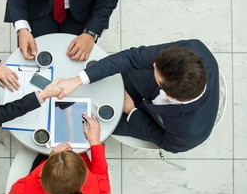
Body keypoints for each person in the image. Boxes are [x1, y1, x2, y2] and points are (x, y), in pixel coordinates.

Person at [56, 39, 220, 153]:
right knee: (93, 85)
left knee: (84, 122)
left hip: (143, 119)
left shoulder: (190, 133)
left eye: (156, 71)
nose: (153, 63)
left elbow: (161, 139)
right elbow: (133, 57)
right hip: (141, 83)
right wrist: (78, 80)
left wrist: (132, 110)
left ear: (169, 96)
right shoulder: (194, 49)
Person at [8, 113, 110, 194]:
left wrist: (50, 158)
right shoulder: (100, 192)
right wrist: (95, 142)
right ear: (85, 175)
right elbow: (102, 176)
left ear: (42, 174)